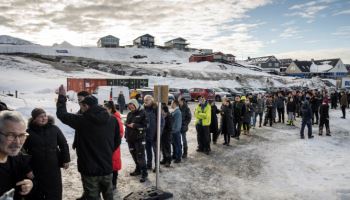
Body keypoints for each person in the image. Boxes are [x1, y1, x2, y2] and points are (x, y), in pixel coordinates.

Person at [56, 85, 121, 200]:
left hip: (89, 169)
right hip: (106, 166)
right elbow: (117, 140)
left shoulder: (82, 120)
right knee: (109, 195)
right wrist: (106, 152)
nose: (81, 109)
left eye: (81, 106)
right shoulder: (112, 119)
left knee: (92, 196)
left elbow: (62, 115)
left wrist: (62, 97)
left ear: (86, 106)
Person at [23, 108, 70, 200]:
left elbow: (63, 144)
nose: (44, 118)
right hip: (36, 169)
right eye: (40, 117)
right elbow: (22, 152)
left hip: (53, 167)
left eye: (45, 116)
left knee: (55, 192)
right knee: (36, 193)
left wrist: (66, 159)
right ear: (34, 119)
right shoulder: (28, 132)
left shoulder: (54, 129)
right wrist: (27, 169)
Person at [0, 111, 33, 199]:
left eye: (22, 135)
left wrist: (29, 184)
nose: (18, 142)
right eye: (11, 135)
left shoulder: (17, 158)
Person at [125, 99, 148, 183]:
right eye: (129, 107)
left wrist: (135, 125)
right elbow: (127, 126)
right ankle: (138, 169)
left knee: (140, 156)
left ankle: (144, 173)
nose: (131, 108)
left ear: (136, 105)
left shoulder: (143, 113)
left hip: (139, 139)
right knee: (134, 155)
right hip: (130, 139)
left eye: (132, 106)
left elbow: (146, 126)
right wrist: (126, 136)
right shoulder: (129, 114)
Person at [103, 101, 124, 190]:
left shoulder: (116, 119)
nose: (103, 111)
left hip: (114, 145)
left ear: (110, 109)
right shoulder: (107, 117)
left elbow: (120, 133)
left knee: (114, 165)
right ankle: (108, 183)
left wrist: (112, 141)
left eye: (105, 109)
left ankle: (114, 183)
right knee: (108, 164)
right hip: (107, 145)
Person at [143, 95, 157, 170]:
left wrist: (158, 133)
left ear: (152, 100)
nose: (145, 101)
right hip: (146, 134)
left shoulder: (156, 108)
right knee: (148, 150)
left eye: (147, 100)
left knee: (156, 151)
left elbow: (161, 122)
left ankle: (157, 166)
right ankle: (149, 164)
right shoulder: (143, 109)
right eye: (144, 100)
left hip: (155, 134)